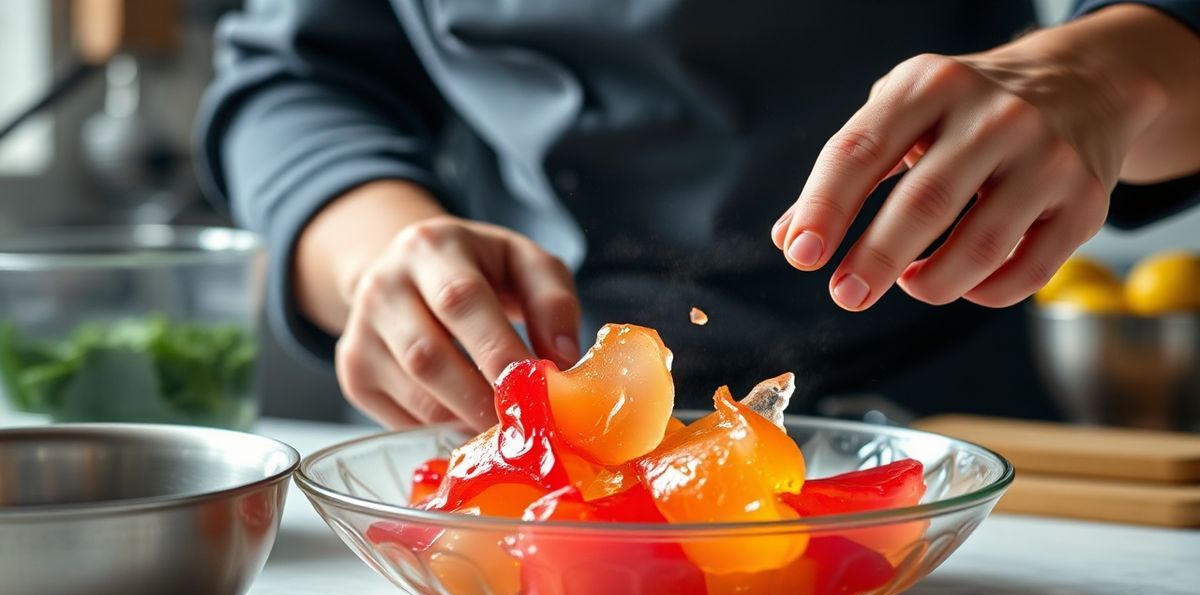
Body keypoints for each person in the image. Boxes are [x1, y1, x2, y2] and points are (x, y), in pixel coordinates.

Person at [197, 1, 1200, 431]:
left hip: (938, 431)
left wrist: (1113, 71)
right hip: (518, 434)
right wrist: (382, 257)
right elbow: (298, 73)